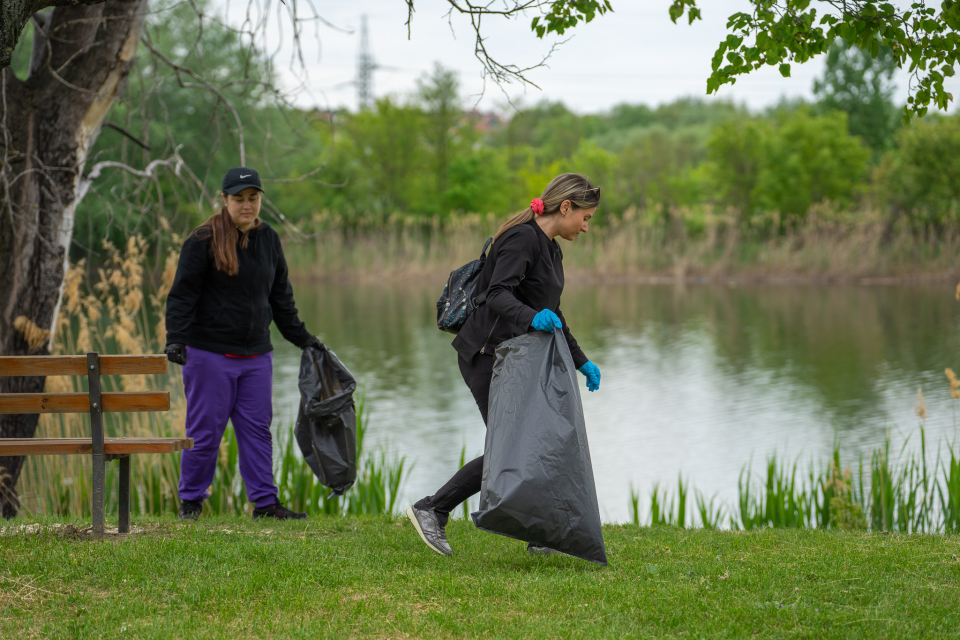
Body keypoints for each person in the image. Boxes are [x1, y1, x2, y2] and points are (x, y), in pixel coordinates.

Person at [406, 173, 603, 556]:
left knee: (534, 444)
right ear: (566, 207)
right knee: (511, 451)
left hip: (514, 360)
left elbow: (554, 311)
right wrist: (532, 319)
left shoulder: (551, 248)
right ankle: (431, 509)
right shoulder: (522, 239)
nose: (585, 226)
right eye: (586, 217)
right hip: (485, 355)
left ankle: (539, 534)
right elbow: (497, 293)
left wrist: (582, 361)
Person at [164, 167, 321, 521]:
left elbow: (281, 298)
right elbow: (181, 297)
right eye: (239, 199)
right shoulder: (202, 240)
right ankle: (191, 503)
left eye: (253, 198)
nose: (247, 205)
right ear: (225, 200)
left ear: (260, 199)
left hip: (256, 357)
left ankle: (265, 505)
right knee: (205, 434)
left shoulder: (269, 239)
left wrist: (303, 338)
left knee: (256, 433)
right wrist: (176, 338)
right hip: (209, 355)